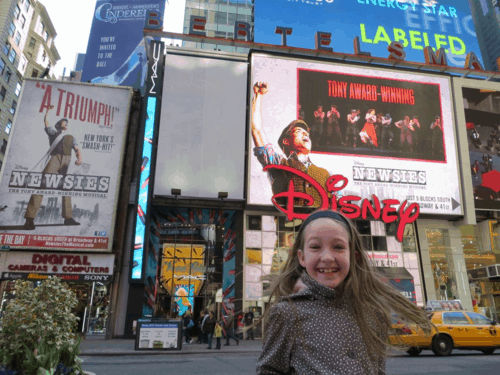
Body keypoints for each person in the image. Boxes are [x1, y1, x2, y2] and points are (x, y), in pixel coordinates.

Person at [256, 209, 432, 375]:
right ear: (302, 257)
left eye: (338, 247)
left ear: (353, 256)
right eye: (315, 247)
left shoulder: (372, 312)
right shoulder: (287, 314)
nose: (327, 257)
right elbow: (269, 370)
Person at [251, 82, 331, 207]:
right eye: (299, 131)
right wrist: (258, 95)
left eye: (306, 133)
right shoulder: (278, 164)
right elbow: (256, 130)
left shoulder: (324, 173)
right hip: (289, 223)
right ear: (286, 141)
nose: (305, 135)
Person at [24, 105, 82, 230]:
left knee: (67, 187)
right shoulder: (53, 133)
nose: (65, 123)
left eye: (67, 122)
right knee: (42, 185)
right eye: (63, 122)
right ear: (58, 125)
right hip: (55, 158)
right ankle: (29, 219)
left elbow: (77, 149)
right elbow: (46, 122)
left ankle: (68, 218)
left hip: (67, 160)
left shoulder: (71, 137)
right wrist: (48, 111)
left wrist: (79, 158)